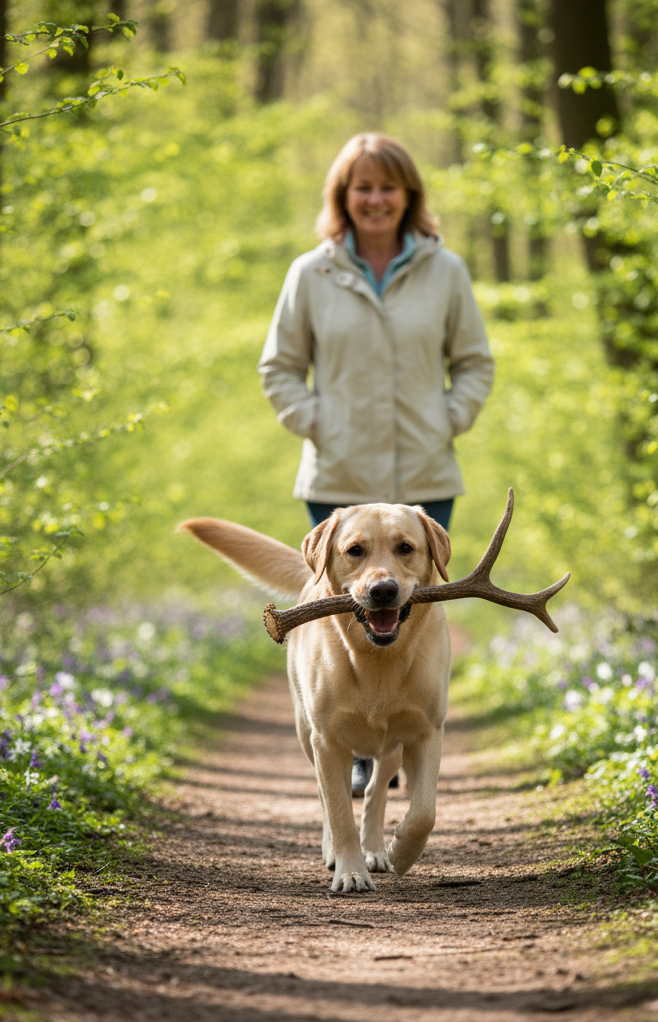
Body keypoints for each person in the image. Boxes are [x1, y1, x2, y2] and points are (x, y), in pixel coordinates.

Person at [258, 132, 494, 796]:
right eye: (362, 187)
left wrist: (447, 420)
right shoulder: (311, 272)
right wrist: (318, 424)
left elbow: (474, 363)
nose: (376, 198)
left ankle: (402, 739)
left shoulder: (446, 272)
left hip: (425, 477)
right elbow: (278, 368)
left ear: (409, 195)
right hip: (337, 479)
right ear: (343, 196)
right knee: (344, 628)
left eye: (388, 186)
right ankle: (357, 751)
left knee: (416, 626)